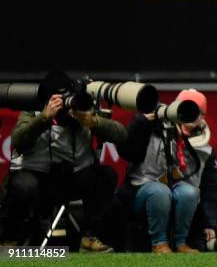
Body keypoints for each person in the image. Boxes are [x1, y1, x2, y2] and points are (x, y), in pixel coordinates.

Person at [1, 93, 127, 252]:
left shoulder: (82, 111)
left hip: (73, 178)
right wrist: (44, 118)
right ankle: (10, 240)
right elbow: (18, 141)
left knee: (107, 175)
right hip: (37, 176)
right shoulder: (34, 110)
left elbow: (122, 134)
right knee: (23, 186)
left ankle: (88, 237)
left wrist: (94, 121)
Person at [117, 89, 217, 254]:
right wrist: (141, 123)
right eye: (188, 110)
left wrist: (210, 222)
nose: (193, 116)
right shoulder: (153, 125)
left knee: (190, 192)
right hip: (140, 189)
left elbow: (209, 186)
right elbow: (127, 151)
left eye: (200, 113)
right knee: (160, 191)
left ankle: (181, 243)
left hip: (173, 189)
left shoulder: (204, 147)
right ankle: (159, 243)